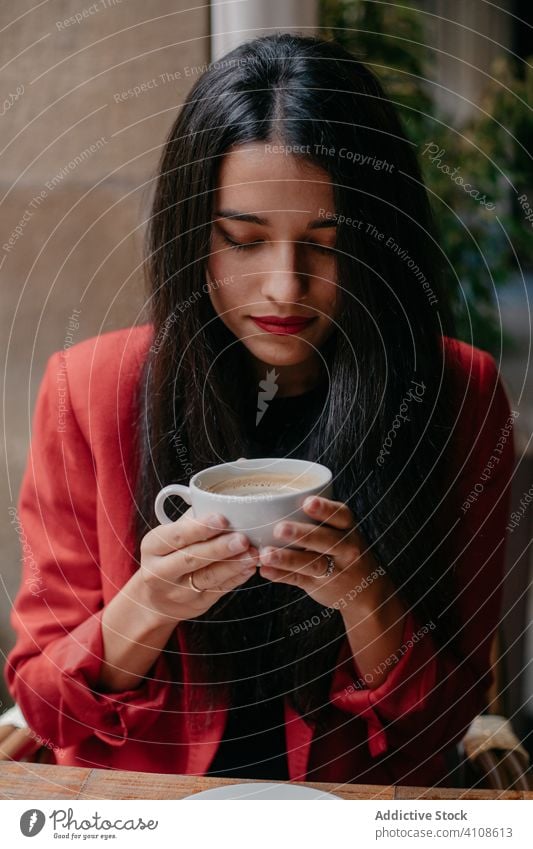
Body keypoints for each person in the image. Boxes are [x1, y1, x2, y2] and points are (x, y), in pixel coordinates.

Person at [5, 33, 515, 786]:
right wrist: (148, 604)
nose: (284, 286)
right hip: (144, 809)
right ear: (192, 235)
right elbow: (48, 710)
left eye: (327, 243)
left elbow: (446, 722)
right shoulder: (92, 389)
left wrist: (361, 598)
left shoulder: (453, 395)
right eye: (242, 240)